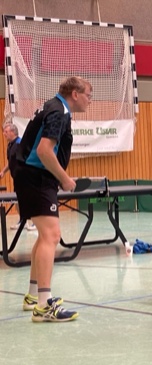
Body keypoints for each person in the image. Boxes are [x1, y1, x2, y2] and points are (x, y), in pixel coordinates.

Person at [14, 76, 93, 321]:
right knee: (52, 235)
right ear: (75, 94)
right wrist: (64, 178)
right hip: (36, 176)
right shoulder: (59, 111)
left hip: (32, 175)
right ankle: (44, 305)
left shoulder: (53, 106)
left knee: (44, 236)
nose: (90, 100)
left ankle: (33, 296)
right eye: (88, 95)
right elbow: (43, 151)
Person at [0, 123, 36, 231]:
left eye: (6, 132)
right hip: (17, 178)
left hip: (26, 178)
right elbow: (11, 162)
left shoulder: (20, 144)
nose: (4, 134)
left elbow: (29, 159)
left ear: (13, 132)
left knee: (30, 199)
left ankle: (36, 222)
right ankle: (22, 221)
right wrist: (3, 171)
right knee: (18, 200)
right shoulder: (10, 145)